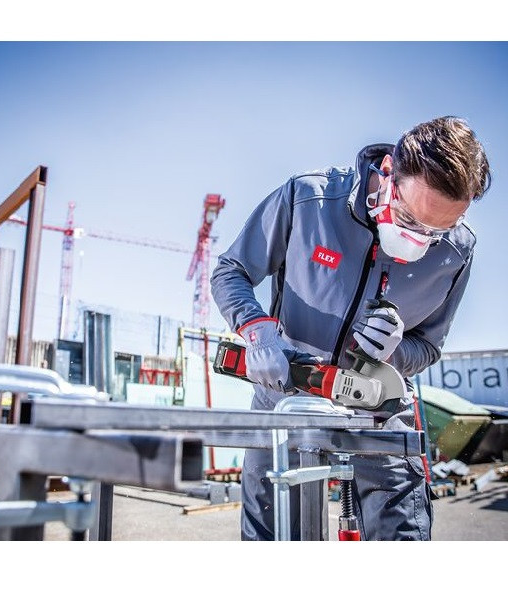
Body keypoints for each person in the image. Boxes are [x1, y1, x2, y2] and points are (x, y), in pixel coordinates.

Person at [210, 116, 491, 541]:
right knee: (273, 534)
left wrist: (396, 350)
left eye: (437, 230)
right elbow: (231, 270)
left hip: (379, 405)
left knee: (402, 538)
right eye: (408, 218)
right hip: (287, 391)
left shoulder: (457, 251)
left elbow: (428, 347)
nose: (418, 240)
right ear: (389, 171)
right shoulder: (310, 200)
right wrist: (256, 330)